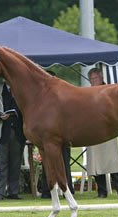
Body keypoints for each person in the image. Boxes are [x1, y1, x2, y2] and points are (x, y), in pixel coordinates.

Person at [87, 67, 118, 199]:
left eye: (96, 78)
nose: (94, 80)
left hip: (109, 129)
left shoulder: (110, 90)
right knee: (96, 164)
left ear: (101, 78)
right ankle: (102, 191)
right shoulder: (87, 93)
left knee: (113, 161)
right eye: (91, 78)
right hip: (92, 130)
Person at [0, 79, 26, 200]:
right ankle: (0, 192)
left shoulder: (22, 90)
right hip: (1, 132)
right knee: (1, 164)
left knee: (16, 164)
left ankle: (13, 192)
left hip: (18, 133)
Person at [41, 70, 74, 198]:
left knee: (64, 164)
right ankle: (50, 190)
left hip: (63, 136)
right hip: (53, 136)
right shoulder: (45, 100)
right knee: (50, 164)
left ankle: (67, 189)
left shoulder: (60, 96)